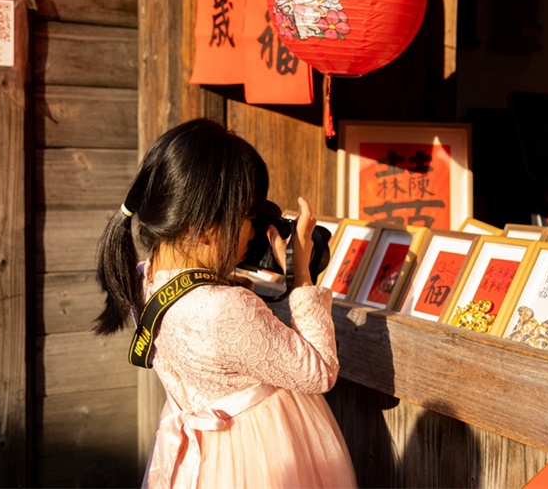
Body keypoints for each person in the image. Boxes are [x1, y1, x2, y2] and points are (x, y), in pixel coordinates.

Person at [94, 118, 357, 489]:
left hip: (201, 461)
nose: (251, 230)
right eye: (247, 216)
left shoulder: (144, 277)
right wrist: (300, 273)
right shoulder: (225, 308)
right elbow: (320, 371)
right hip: (263, 458)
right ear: (201, 226)